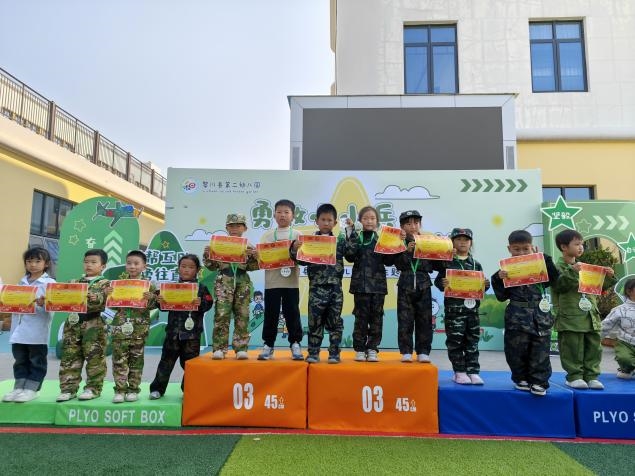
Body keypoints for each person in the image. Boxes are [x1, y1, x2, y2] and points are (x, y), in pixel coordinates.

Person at [490, 230, 559, 396]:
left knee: (540, 349)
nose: (521, 252)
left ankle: (539, 381)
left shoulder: (541, 265)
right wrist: (499, 278)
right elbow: (501, 296)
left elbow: (555, 279)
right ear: (509, 249)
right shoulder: (505, 270)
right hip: (516, 316)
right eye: (516, 249)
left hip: (539, 316)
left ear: (532, 247)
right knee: (516, 349)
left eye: (525, 249)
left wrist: (544, 259)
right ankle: (521, 378)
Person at [551, 229, 617, 390]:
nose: (581, 247)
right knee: (572, 347)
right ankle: (574, 376)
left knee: (593, 347)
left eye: (582, 244)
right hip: (570, 317)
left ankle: (591, 376)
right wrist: (572, 272)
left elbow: (597, 288)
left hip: (590, 316)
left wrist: (608, 277)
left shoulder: (585, 267)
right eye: (577, 244)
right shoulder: (557, 267)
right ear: (564, 247)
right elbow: (559, 286)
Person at [149, 254, 213, 399]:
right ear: (178, 268)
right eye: (183, 266)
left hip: (192, 336)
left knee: (190, 365)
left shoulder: (201, 288)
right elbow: (163, 308)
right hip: (172, 334)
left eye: (191, 267)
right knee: (165, 363)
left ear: (197, 270)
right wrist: (160, 301)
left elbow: (209, 304)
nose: (186, 270)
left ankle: (188, 390)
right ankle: (157, 389)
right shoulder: (170, 288)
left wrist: (200, 303)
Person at [291, 203, 345, 363]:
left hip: (335, 288)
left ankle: (334, 353)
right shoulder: (309, 242)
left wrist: (351, 232)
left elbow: (351, 253)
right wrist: (294, 249)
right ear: (317, 221)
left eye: (329, 220)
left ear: (335, 223)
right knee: (315, 322)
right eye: (323, 219)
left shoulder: (339, 241)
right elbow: (300, 260)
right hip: (316, 288)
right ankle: (313, 352)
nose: (326, 223)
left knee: (335, 321)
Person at [393, 210, 449, 365]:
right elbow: (397, 264)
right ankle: (406, 352)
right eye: (408, 223)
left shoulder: (429, 242)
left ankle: (423, 352)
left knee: (424, 320)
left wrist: (447, 253)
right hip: (405, 285)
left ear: (420, 225)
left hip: (424, 285)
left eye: (416, 223)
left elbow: (439, 265)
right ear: (402, 226)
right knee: (405, 320)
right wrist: (407, 251)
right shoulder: (398, 243)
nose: (413, 226)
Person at [434, 228, 490, 384]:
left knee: (472, 341)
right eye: (458, 239)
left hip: (472, 311)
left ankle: (473, 371)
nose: (462, 242)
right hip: (454, 311)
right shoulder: (447, 262)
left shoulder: (476, 264)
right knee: (455, 341)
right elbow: (438, 282)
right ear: (452, 242)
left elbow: (481, 288)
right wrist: (442, 282)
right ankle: (459, 371)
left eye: (466, 240)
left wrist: (485, 285)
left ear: (471, 243)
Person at [2, 248, 56, 403]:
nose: (33, 264)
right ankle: (18, 388)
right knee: (20, 360)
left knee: (36, 361)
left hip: (36, 332)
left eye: (37, 261)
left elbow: (54, 307)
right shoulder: (21, 282)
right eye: (29, 261)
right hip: (18, 331)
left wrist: (43, 303)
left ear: (46, 264)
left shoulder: (49, 284)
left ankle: (32, 389)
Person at [56, 249, 110, 402]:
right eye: (86, 262)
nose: (89, 265)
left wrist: (97, 297)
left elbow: (106, 301)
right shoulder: (74, 282)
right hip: (73, 324)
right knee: (69, 357)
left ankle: (93, 389)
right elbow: (62, 298)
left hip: (93, 324)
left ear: (103, 266)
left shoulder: (106, 284)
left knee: (95, 358)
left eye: (93, 262)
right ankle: (68, 389)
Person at [105, 250, 158, 403]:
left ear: (144, 266)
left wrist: (152, 298)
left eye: (136, 263)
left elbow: (155, 306)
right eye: (129, 263)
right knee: (119, 360)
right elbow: (113, 306)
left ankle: (133, 390)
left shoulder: (149, 286)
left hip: (140, 328)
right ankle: (119, 391)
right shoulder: (118, 284)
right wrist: (109, 295)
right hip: (119, 327)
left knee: (136, 360)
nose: (132, 266)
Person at [203, 213, 259, 360]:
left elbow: (254, 267)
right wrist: (208, 255)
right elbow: (211, 266)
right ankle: (219, 348)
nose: (234, 228)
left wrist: (255, 257)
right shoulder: (218, 244)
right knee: (222, 314)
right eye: (231, 226)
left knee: (243, 315)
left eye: (238, 225)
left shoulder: (249, 246)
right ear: (226, 227)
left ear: (245, 228)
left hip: (242, 281)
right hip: (224, 280)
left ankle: (241, 348)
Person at [256, 199, 303, 361]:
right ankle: (268, 344)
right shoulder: (267, 236)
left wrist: (295, 250)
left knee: (293, 313)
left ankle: (295, 343)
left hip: (291, 282)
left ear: (293, 216)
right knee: (271, 314)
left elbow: (303, 258)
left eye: (286, 212)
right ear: (274, 215)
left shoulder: (298, 235)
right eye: (279, 212)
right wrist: (257, 255)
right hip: (272, 282)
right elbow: (261, 259)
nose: (282, 215)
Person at [344, 205, 392, 362]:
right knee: (361, 318)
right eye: (365, 218)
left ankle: (372, 349)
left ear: (377, 221)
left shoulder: (381, 238)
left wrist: (395, 243)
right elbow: (349, 256)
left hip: (378, 287)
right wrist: (353, 233)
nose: (369, 221)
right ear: (360, 221)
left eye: (372, 218)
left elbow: (388, 261)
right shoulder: (356, 236)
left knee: (377, 319)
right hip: (360, 286)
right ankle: (359, 349)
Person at [601, 278, 635, 379]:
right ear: (629, 291)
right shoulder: (619, 310)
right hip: (626, 343)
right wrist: (594, 340)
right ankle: (626, 369)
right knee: (625, 359)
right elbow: (605, 326)